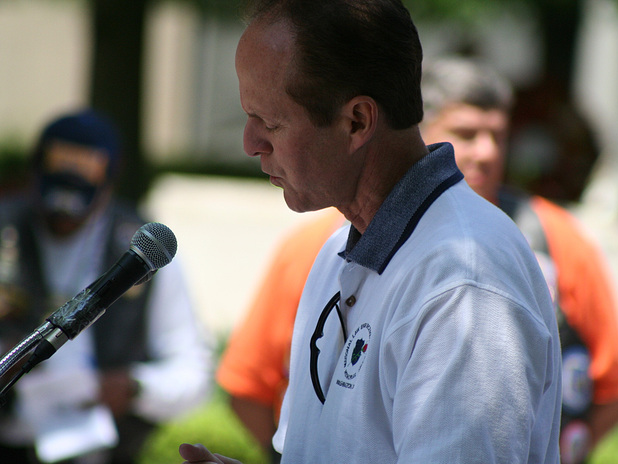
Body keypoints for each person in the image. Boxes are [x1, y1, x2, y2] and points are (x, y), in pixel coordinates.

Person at [181, 1, 562, 463]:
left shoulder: (464, 283)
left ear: (357, 121)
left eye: (270, 122)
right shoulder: (339, 251)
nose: (250, 143)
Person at [418, 57, 618, 464]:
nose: (485, 152)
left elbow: (612, 393)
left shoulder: (561, 239)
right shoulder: (347, 238)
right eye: (465, 134)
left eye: (497, 136)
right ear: (417, 133)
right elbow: (259, 382)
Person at [0, 109, 212, 464]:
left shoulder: (143, 250)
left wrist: (135, 388)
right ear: (32, 176)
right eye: (54, 195)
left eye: (79, 199)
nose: (64, 215)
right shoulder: (6, 227)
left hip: (101, 451)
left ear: (109, 184)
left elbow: (193, 372)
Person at [216, 207, 345, 460]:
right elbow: (246, 386)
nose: (265, 165)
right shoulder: (313, 241)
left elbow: (247, 391)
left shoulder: (312, 240)